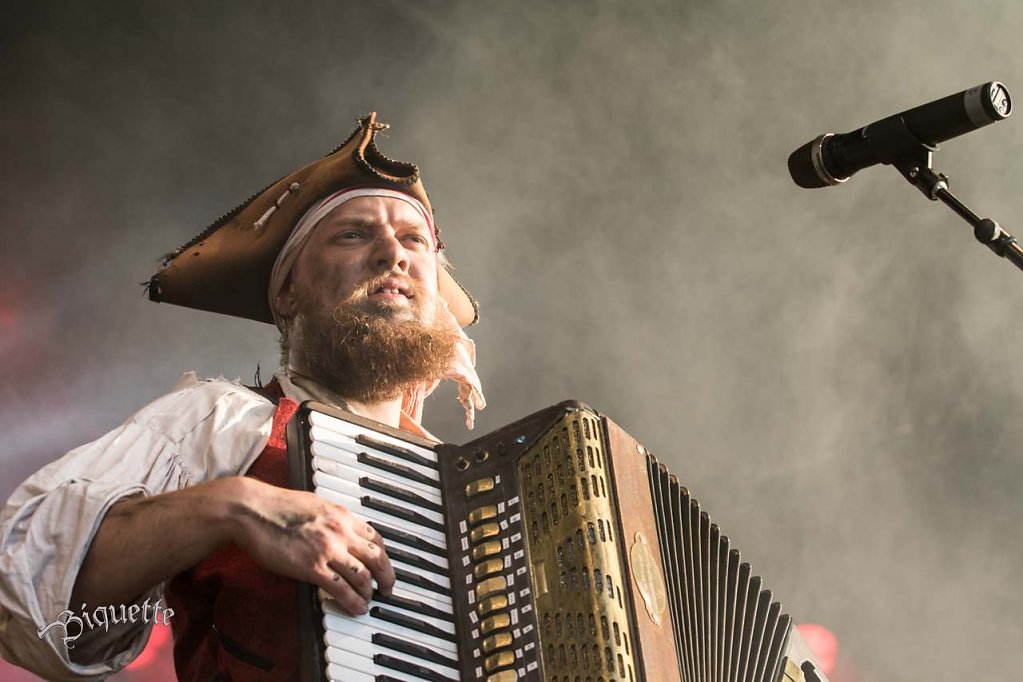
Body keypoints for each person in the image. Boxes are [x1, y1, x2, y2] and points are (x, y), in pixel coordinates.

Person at [0, 113, 486, 681]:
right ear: (286, 290)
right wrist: (232, 506)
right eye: (353, 233)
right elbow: (19, 581)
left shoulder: (477, 495)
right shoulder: (221, 422)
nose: (392, 254)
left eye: (413, 240)